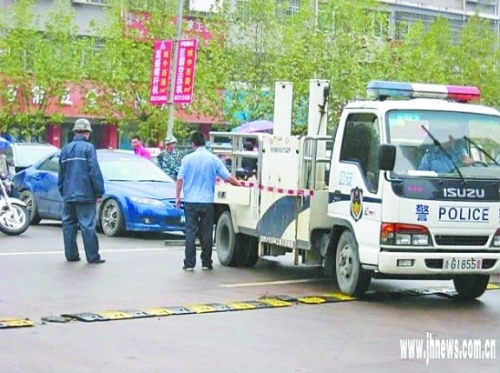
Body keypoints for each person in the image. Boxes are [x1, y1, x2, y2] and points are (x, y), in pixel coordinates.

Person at [175, 132, 241, 271]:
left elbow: (180, 179)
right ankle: (206, 262)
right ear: (204, 143)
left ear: (193, 144)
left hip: (190, 201)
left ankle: (189, 263)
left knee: (190, 232)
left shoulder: (187, 159)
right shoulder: (214, 159)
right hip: (207, 201)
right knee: (206, 232)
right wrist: (241, 187)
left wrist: (178, 197)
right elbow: (228, 177)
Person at [58, 118, 106, 264]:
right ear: (86, 133)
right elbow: (94, 171)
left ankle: (71, 255)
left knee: (68, 225)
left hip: (69, 195)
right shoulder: (88, 148)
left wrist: (64, 192)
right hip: (85, 195)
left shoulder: (65, 149)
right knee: (87, 226)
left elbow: (61, 175)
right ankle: (92, 256)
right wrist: (99, 192)